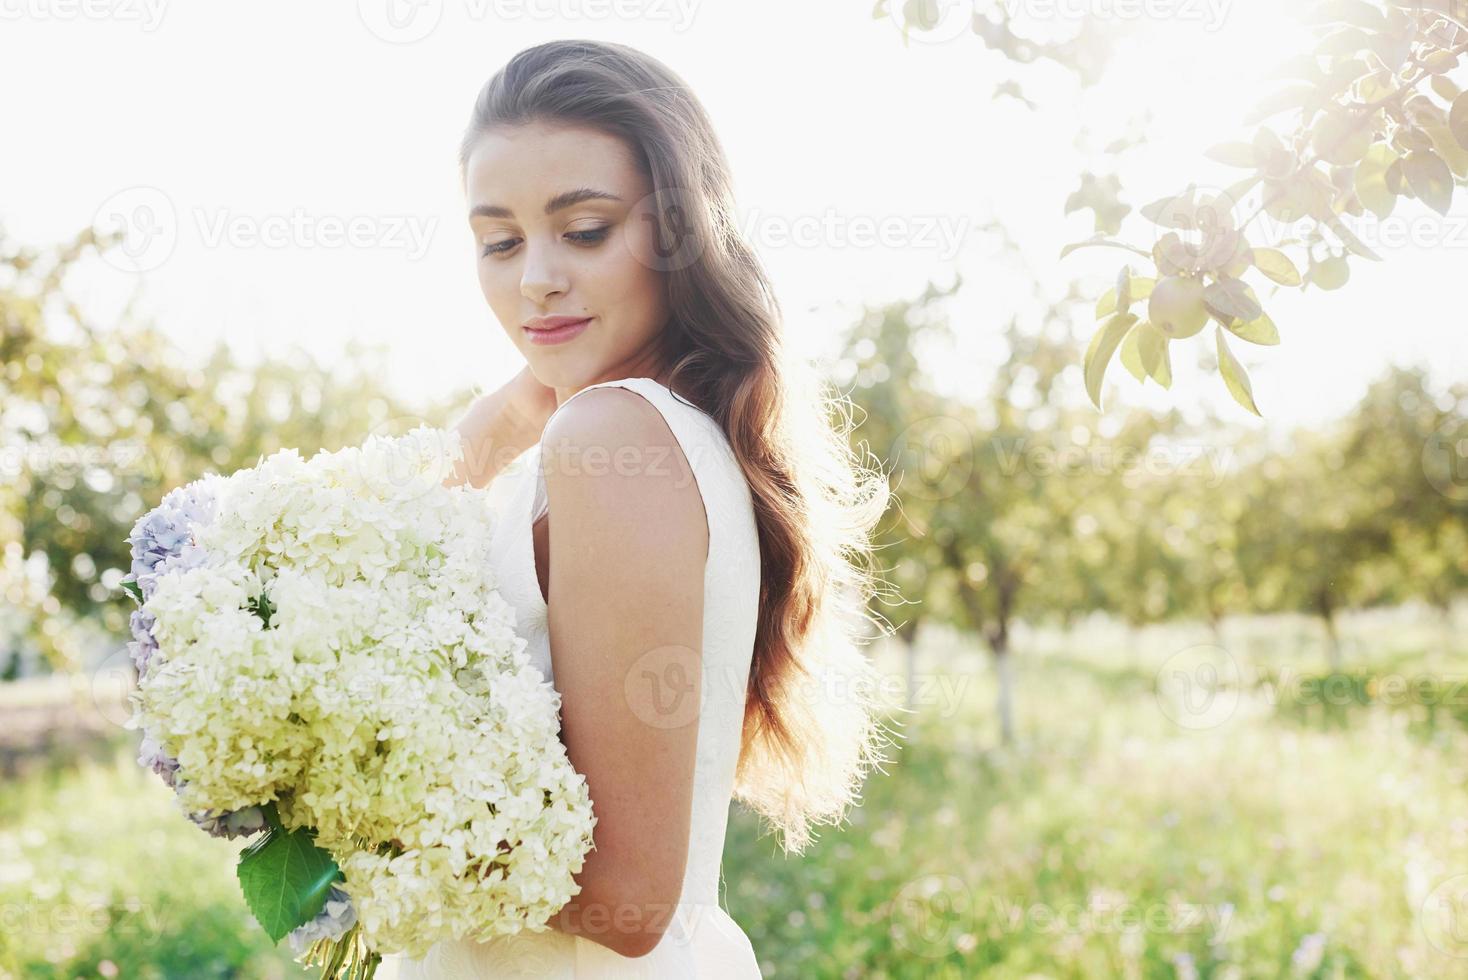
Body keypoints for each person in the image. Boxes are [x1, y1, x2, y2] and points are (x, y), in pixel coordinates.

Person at [384, 38, 894, 978]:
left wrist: (343, 788)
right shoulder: (632, 433)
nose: (534, 277)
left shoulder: (610, 443)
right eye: (498, 241)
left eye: (583, 230)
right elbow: (387, 556)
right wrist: (506, 412)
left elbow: (627, 899)